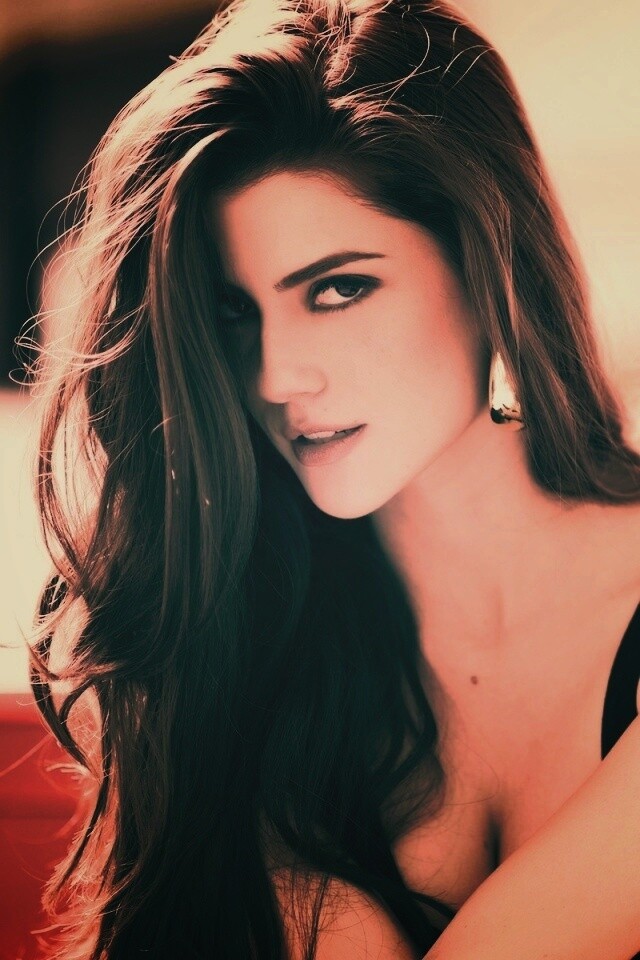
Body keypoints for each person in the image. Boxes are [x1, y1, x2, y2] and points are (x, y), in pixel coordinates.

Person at [27, 0, 640, 957]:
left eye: (339, 288)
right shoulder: (248, 647)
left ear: (488, 265)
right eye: (234, 315)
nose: (277, 377)